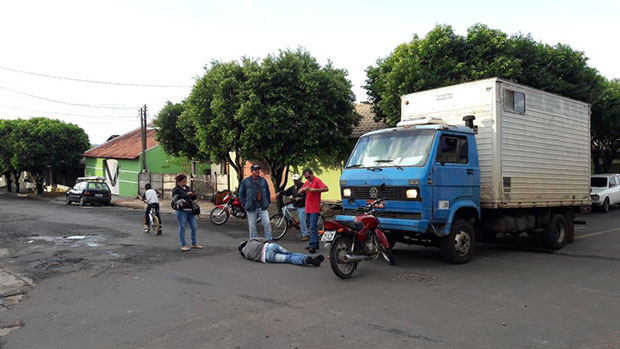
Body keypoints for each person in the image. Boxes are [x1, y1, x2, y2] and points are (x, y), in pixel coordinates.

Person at [239, 164, 272, 240]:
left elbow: (267, 192)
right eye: (255, 169)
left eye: (258, 169)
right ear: (251, 171)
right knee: (252, 226)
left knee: (267, 223)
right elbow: (241, 194)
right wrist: (245, 204)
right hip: (251, 207)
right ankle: (254, 241)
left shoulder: (263, 180)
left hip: (262, 206)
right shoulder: (246, 181)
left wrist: (268, 201)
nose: (257, 171)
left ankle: (269, 240)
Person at [299, 168, 329, 253]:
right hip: (308, 207)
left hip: (314, 208)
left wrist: (314, 190)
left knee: (312, 226)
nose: (307, 179)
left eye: (308, 177)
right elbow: (299, 191)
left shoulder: (317, 180)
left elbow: (326, 188)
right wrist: (302, 190)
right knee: (310, 226)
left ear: (312, 174)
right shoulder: (307, 183)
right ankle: (315, 244)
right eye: (306, 178)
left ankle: (312, 245)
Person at [238, 237, 324, 267]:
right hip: (269, 246)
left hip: (267, 256)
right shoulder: (250, 240)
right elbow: (265, 239)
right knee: (290, 253)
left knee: (289, 259)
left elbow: (256, 258)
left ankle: (305, 260)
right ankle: (311, 257)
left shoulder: (246, 255)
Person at [172, 174, 203, 251]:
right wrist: (186, 195)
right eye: (183, 182)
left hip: (190, 210)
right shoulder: (175, 190)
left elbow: (192, 198)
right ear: (178, 182)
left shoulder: (188, 188)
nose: (185, 183)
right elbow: (177, 198)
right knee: (182, 227)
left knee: (194, 226)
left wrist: (193, 195)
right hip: (181, 210)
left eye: (186, 181)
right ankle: (183, 244)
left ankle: (194, 243)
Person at [276, 174, 308, 241]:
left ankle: (305, 235)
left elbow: (307, 196)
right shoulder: (294, 187)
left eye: (297, 180)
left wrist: (301, 198)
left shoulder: (304, 186)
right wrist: (280, 193)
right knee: (284, 209)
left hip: (302, 205)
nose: (295, 181)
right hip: (295, 204)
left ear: (300, 179)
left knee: (302, 219)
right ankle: (291, 222)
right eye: (294, 180)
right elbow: (287, 192)